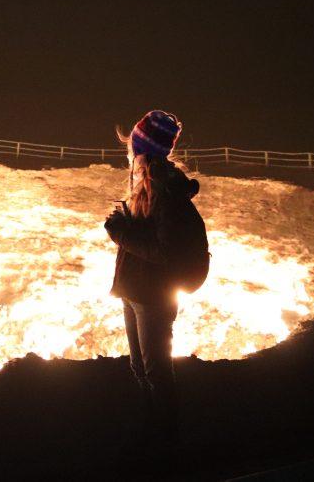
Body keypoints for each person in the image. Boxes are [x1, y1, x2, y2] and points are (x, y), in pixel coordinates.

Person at [104, 109, 206, 460]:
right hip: (135, 292)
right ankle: (151, 430)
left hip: (152, 297)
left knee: (156, 370)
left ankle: (166, 442)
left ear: (143, 149)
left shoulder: (167, 194)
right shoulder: (145, 185)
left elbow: (163, 250)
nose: (129, 153)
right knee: (140, 368)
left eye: (134, 145)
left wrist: (121, 233)